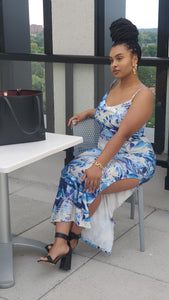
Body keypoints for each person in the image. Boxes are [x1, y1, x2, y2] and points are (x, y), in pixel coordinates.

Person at [38, 18, 156, 269]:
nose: (113, 64)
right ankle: (60, 241)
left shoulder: (144, 95)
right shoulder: (115, 85)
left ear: (134, 58)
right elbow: (108, 110)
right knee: (70, 171)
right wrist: (87, 113)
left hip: (132, 157)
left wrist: (98, 165)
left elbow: (122, 133)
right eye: (111, 59)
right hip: (105, 149)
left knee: (90, 179)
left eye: (120, 58)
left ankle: (73, 238)